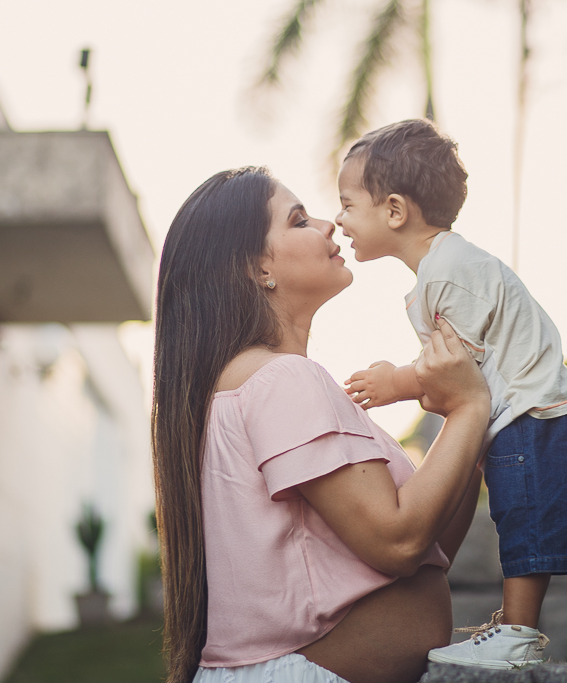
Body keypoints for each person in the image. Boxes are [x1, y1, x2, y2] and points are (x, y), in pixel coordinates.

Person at [151, 167, 493, 683]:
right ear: (256, 267)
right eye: (297, 220)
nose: (328, 224)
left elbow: (428, 544)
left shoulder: (258, 382)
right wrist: (470, 409)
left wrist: (462, 431)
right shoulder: (282, 379)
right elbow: (397, 544)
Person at [337, 119, 567, 669]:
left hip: (537, 415)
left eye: (348, 204)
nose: (339, 220)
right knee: (517, 521)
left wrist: (397, 382)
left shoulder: (450, 273)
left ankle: (521, 635)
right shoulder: (443, 269)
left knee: (525, 526)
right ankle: (515, 627)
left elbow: (460, 368)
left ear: (394, 211)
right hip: (529, 414)